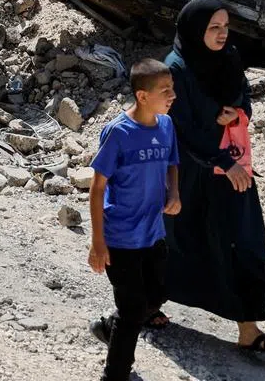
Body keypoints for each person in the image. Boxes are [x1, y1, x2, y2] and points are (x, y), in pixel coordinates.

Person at [163, 0, 265, 352]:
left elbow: (243, 96)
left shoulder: (229, 56)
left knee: (241, 241)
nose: (221, 34)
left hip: (231, 168)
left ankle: (248, 328)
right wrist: (221, 161)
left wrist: (237, 113)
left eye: (225, 26)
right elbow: (181, 129)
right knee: (180, 242)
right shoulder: (176, 69)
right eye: (213, 27)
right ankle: (145, 306)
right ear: (194, 29)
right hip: (190, 175)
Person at [87, 59, 181, 381]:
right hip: (120, 237)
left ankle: (108, 328)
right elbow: (97, 188)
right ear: (142, 96)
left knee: (157, 295)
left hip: (153, 232)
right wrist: (97, 242)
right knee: (132, 311)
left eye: (172, 88)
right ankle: (115, 375)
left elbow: (172, 162)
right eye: (165, 90)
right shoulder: (118, 133)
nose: (172, 96)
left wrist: (174, 192)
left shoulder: (166, 125)